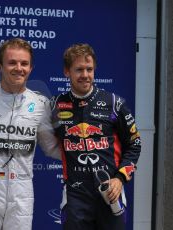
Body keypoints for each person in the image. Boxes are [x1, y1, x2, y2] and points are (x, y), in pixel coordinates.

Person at [0, 38, 60, 230]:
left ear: (31, 68)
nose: (19, 68)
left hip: (22, 191)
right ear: (0, 67)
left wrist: (84, 154)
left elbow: (51, 148)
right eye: (12, 63)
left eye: (24, 63)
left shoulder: (41, 104)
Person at [51, 43, 141, 230]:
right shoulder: (55, 105)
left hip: (110, 192)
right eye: (79, 69)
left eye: (89, 69)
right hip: (76, 195)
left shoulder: (115, 103)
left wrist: (119, 179)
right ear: (67, 71)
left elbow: (134, 144)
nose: (85, 75)